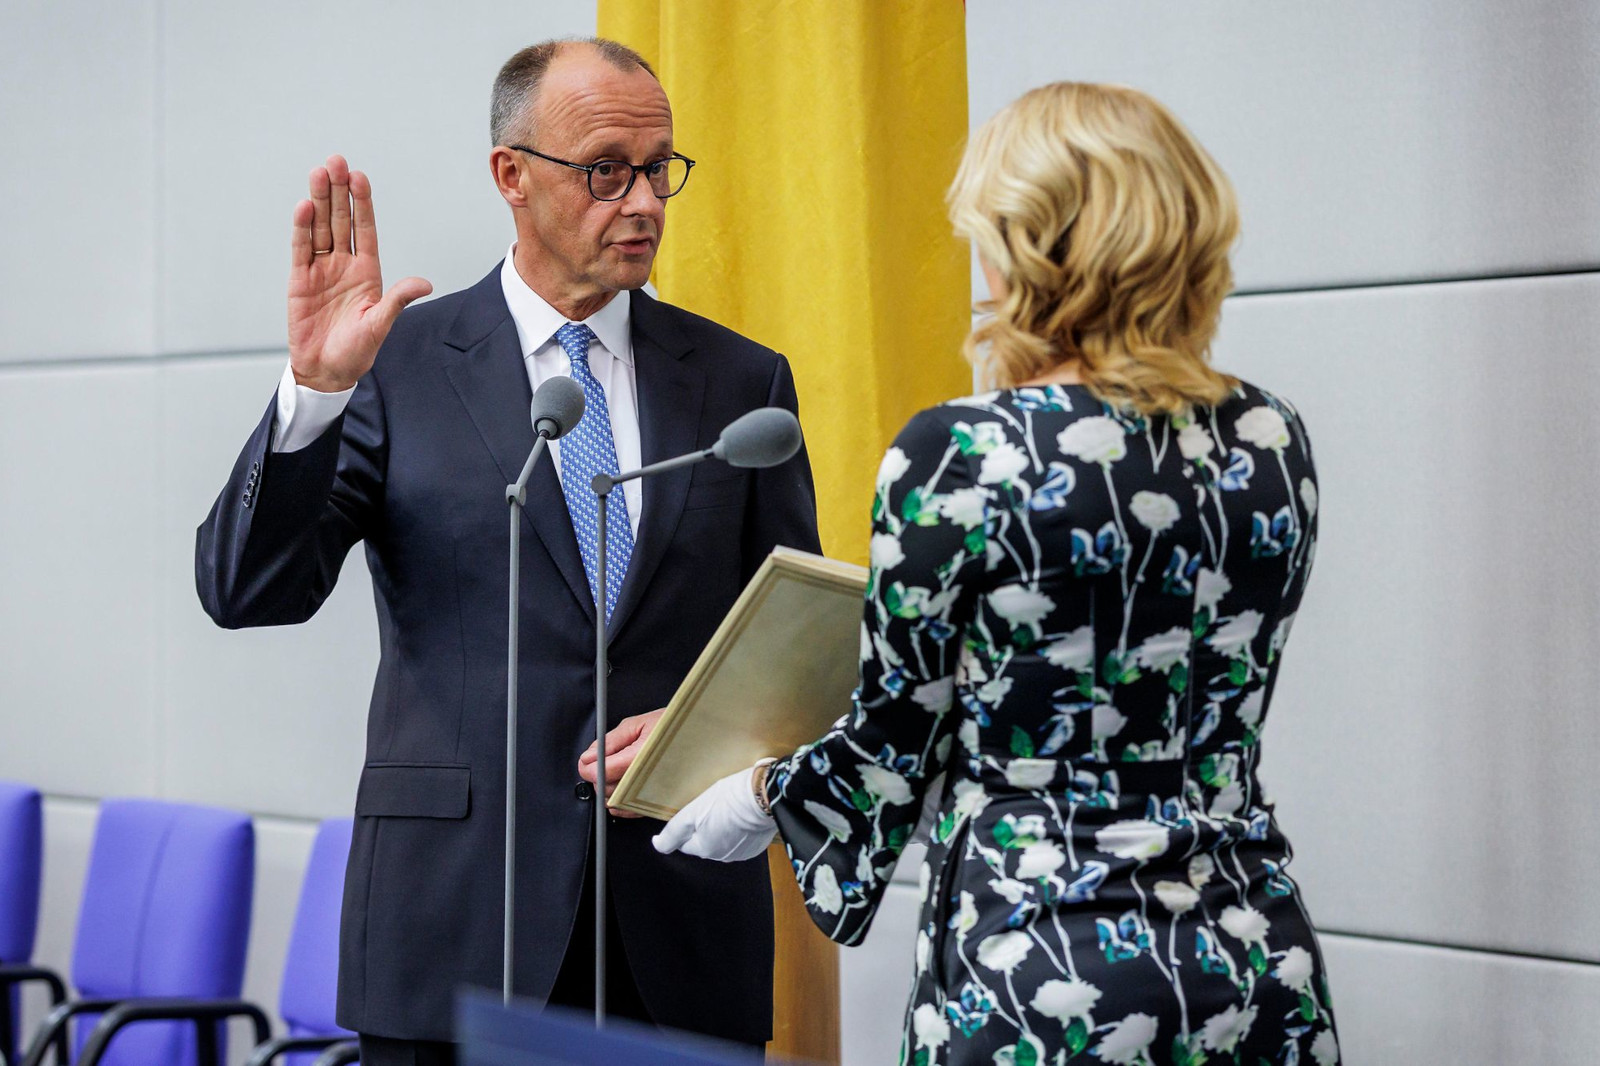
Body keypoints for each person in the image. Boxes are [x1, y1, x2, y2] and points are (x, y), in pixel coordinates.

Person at [652, 82, 1341, 1065]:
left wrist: (761, 791)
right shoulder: (1271, 440)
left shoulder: (961, 453)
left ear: (1030, 244)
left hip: (1038, 973)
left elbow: (893, 745)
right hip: (1250, 966)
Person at [195, 37, 819, 1065]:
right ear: (511, 175)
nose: (645, 203)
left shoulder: (741, 383)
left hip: (677, 929)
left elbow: (794, 652)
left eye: (659, 168)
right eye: (606, 169)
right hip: (449, 931)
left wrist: (715, 736)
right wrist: (313, 394)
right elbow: (246, 590)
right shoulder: (394, 365)